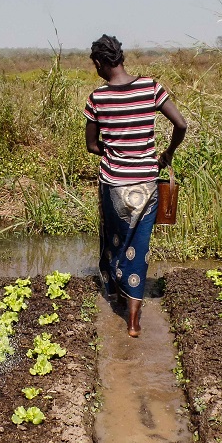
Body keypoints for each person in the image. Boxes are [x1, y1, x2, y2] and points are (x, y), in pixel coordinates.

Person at [84, 34, 186, 337]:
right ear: (121, 57)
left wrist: (114, 151)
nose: (97, 71)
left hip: (115, 185)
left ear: (101, 63)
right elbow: (180, 124)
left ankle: (114, 291)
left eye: (96, 66)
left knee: (115, 240)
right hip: (147, 184)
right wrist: (166, 153)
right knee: (138, 248)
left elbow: (91, 145)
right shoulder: (150, 87)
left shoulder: (97, 98)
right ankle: (133, 320)